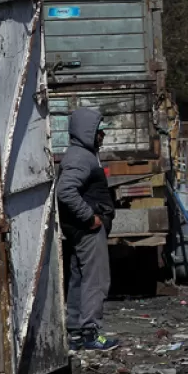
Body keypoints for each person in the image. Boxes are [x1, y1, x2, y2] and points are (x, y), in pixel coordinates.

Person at [57, 108, 119, 352]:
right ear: (87, 132)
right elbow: (65, 191)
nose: (102, 136)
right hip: (87, 231)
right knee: (96, 280)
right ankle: (90, 333)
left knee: (79, 278)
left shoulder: (80, 154)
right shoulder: (81, 158)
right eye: (99, 131)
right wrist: (89, 217)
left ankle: (75, 332)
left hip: (78, 230)